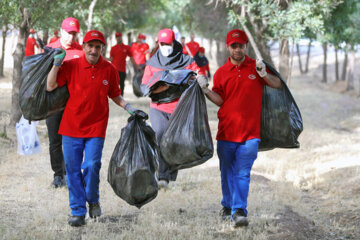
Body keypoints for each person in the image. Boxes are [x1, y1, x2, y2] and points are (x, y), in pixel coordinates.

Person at [46, 30, 147, 227]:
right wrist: (57, 65)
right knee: (72, 169)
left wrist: (130, 108)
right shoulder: (71, 65)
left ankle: (92, 199)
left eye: (97, 47)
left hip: (96, 127)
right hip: (71, 127)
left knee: (92, 165)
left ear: (103, 48)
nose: (93, 50)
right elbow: (50, 86)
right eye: (90, 46)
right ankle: (77, 211)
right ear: (83, 47)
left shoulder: (109, 69)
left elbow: (115, 95)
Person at [197, 29, 282, 228]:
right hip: (226, 132)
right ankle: (227, 206)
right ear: (228, 47)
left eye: (241, 45)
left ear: (246, 46)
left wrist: (264, 74)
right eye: (233, 46)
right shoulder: (220, 73)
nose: (237, 49)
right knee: (227, 172)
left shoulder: (256, 67)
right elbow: (220, 100)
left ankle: (239, 211)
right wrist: (205, 90)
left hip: (250, 134)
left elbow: (278, 84)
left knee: (243, 173)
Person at [141, 28, 207, 189]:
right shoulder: (152, 62)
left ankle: (168, 172)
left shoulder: (186, 60)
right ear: (158, 43)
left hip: (179, 108)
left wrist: (201, 79)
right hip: (158, 107)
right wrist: (164, 86)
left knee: (175, 142)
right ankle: (163, 176)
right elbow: (144, 88)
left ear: (173, 42)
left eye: (168, 43)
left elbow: (198, 75)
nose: (165, 46)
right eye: (162, 43)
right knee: (161, 137)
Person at [46, 17, 83, 188]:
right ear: (61, 31)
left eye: (74, 34)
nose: (71, 37)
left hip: (73, 104)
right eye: (69, 33)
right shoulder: (50, 48)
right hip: (53, 103)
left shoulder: (80, 50)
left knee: (73, 140)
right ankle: (57, 175)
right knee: (55, 140)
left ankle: (71, 172)